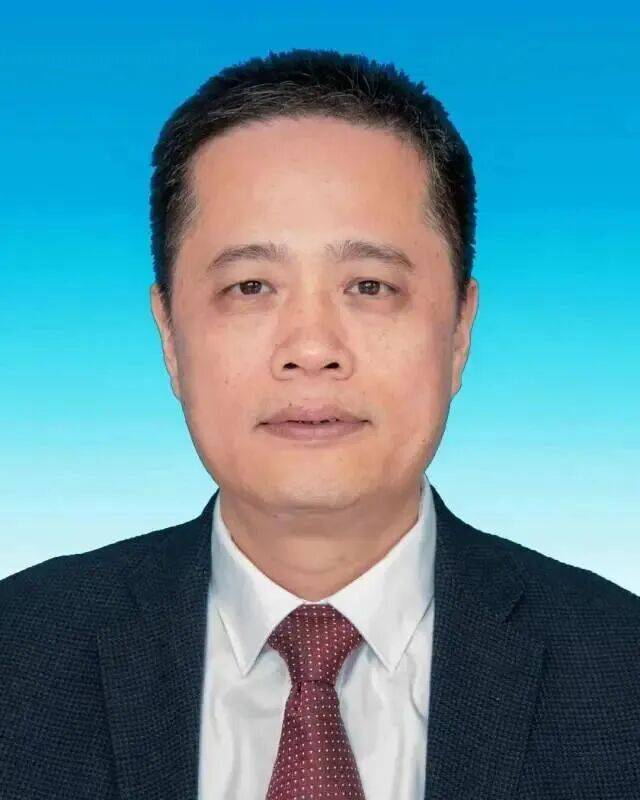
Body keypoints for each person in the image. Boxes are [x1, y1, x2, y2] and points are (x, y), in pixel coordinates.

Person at [1, 48, 638, 800]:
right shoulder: (19, 657)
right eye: (250, 286)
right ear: (169, 335)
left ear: (460, 331)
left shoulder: (619, 672)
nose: (311, 349)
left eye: (369, 285)